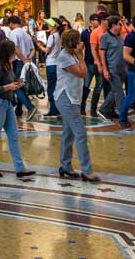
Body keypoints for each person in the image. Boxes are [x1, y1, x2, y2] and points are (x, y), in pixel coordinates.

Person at [48, 28, 97, 183]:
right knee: (80, 133)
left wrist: (79, 55)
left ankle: (65, 165)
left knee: (68, 133)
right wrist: (81, 57)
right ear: (74, 42)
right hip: (65, 98)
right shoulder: (64, 56)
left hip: (73, 97)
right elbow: (83, 73)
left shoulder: (72, 54)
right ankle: (87, 171)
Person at [0, 40, 33, 180]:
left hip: (8, 104)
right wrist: (8, 87)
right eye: (13, 50)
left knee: (14, 136)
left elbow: (10, 79)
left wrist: (17, 82)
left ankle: (19, 167)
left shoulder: (8, 65)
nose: (15, 53)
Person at [98, 15, 127, 125]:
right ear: (114, 25)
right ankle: (122, 116)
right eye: (119, 24)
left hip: (122, 68)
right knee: (119, 92)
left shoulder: (119, 37)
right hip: (112, 68)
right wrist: (105, 70)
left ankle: (105, 109)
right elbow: (102, 55)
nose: (121, 26)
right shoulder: (105, 37)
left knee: (114, 91)